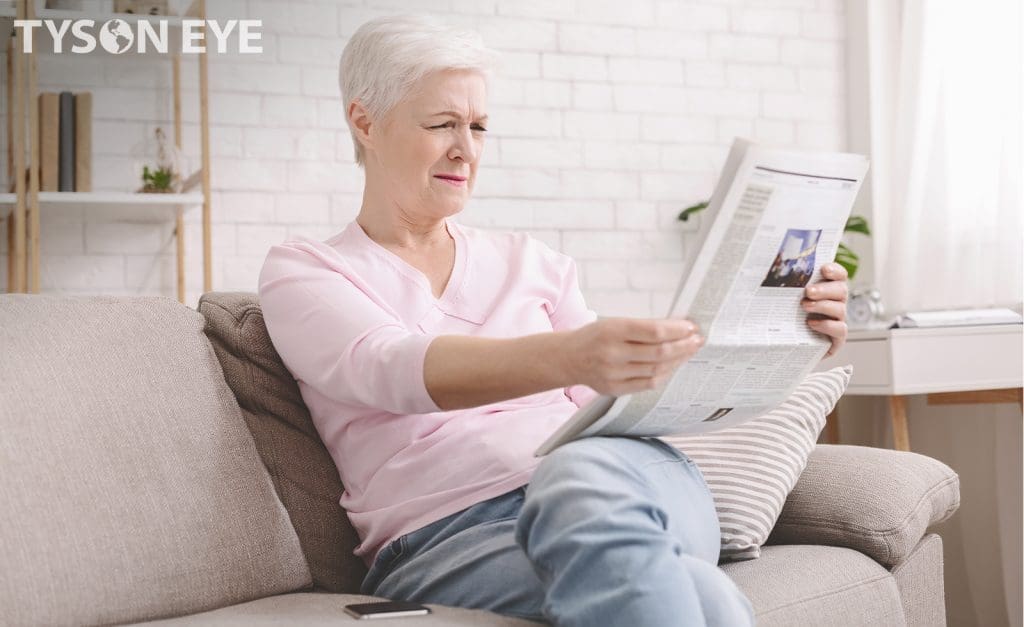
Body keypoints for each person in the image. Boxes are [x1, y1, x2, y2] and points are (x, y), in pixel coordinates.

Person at [258, 14, 849, 627]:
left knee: (578, 475)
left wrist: (796, 334)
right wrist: (569, 354)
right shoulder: (306, 272)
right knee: (699, 593)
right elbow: (388, 367)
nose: (466, 148)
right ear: (365, 121)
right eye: (441, 124)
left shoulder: (532, 260)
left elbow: (615, 407)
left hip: (626, 486)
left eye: (479, 126)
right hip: (452, 540)